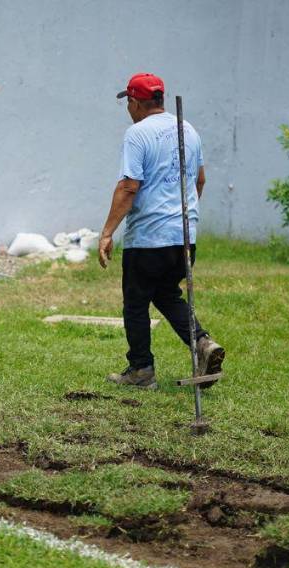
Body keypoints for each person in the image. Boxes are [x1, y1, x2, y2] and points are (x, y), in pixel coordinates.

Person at [98, 72, 224, 390]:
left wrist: (107, 232)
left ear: (136, 102)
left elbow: (128, 187)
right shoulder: (189, 131)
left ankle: (141, 371)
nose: (128, 108)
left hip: (149, 238)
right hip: (184, 236)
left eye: (128, 101)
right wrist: (185, 215)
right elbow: (200, 180)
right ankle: (203, 343)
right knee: (167, 294)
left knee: (136, 302)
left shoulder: (137, 134)